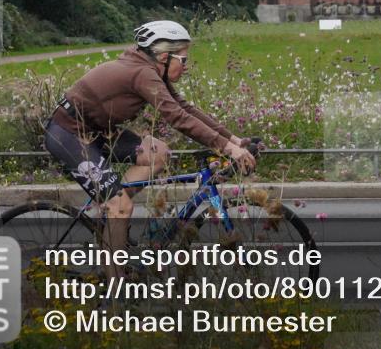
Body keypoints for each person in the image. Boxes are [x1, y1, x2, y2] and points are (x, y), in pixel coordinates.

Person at [43, 20, 256, 270]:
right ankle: (116, 295)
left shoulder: (149, 68)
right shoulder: (142, 73)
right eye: (184, 60)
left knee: (158, 153)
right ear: (164, 57)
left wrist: (233, 140)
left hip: (97, 132)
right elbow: (177, 118)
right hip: (68, 134)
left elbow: (185, 108)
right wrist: (229, 149)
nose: (186, 67)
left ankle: (110, 215)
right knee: (121, 206)